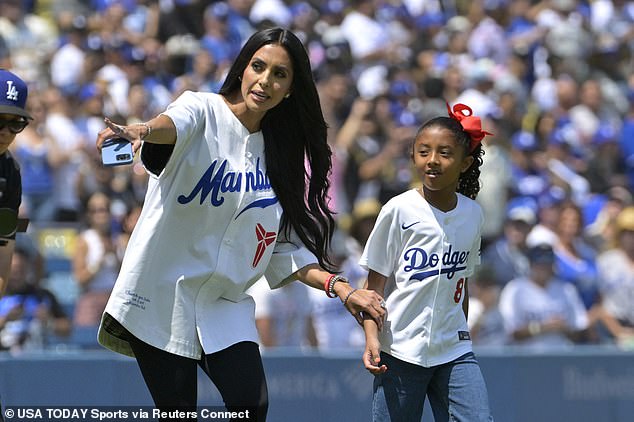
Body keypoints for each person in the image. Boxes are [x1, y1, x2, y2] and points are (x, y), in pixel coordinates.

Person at [94, 27, 386, 420]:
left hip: (224, 304)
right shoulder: (201, 109)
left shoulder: (281, 156)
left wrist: (342, 288)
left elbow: (282, 247)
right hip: (164, 295)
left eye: (279, 74)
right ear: (242, 69)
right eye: (258, 66)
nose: (265, 80)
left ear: (291, 89)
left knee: (252, 406)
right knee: (177, 412)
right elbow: (173, 123)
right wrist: (143, 130)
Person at [360, 103, 494, 421]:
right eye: (423, 151)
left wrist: (461, 330)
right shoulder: (398, 209)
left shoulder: (473, 214)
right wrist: (370, 338)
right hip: (400, 350)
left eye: (444, 153)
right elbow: (372, 288)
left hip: (454, 350)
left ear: (465, 163)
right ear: (413, 156)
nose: (432, 161)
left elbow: (461, 285)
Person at [498, 244, 589, 350]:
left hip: (560, 356)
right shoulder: (515, 289)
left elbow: (579, 329)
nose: (544, 268)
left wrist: (563, 328)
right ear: (531, 264)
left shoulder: (566, 289)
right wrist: (543, 327)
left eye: (547, 264)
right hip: (525, 358)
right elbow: (511, 333)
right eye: (540, 264)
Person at [0, 69, 32, 298]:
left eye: (15, 123)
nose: (5, 132)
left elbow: (4, 245)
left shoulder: (11, 171)